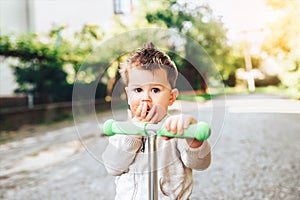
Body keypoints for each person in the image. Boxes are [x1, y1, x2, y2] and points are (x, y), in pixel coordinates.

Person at [102, 42, 211, 200]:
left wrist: (192, 138)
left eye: (155, 90)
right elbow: (112, 167)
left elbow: (200, 164)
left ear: (171, 97)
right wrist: (133, 134)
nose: (145, 97)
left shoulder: (175, 128)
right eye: (138, 90)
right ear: (128, 95)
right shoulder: (122, 130)